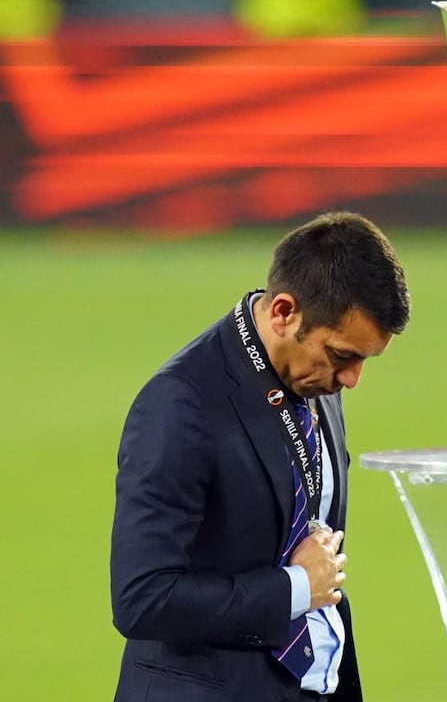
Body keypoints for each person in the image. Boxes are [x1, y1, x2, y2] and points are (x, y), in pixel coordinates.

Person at [110, 211, 411, 702]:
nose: (353, 379)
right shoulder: (181, 403)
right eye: (341, 355)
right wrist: (294, 588)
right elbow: (142, 599)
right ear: (284, 313)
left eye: (364, 359)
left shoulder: (315, 380)